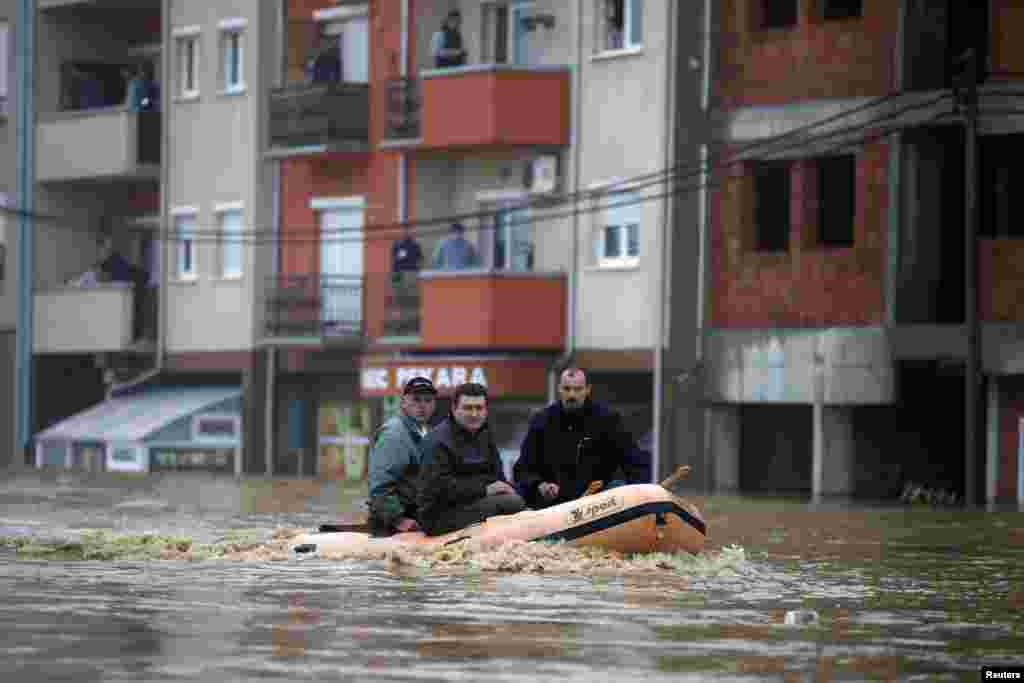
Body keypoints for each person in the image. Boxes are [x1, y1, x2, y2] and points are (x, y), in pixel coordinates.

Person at [514, 367, 648, 509]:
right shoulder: (542, 421)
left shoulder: (607, 420)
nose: (572, 395)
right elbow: (523, 468)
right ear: (559, 389)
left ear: (587, 390)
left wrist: (640, 496)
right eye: (567, 389)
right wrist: (540, 485)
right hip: (553, 506)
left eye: (578, 389)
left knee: (618, 487)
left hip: (598, 503)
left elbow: (634, 461)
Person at [418, 382, 526, 536]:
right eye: (468, 408)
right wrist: (485, 490)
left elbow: (497, 476)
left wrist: (506, 487)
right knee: (512, 503)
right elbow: (438, 489)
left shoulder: (484, 435)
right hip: (439, 515)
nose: (474, 414)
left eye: (479, 408)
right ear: (454, 409)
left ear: (486, 410)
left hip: (473, 503)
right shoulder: (437, 440)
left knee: (517, 496)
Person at [366, 377, 438, 536]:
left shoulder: (426, 432)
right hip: (393, 523)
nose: (422, 406)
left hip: (417, 515)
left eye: (428, 400)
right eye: (416, 399)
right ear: (403, 402)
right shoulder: (394, 434)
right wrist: (399, 520)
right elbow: (379, 486)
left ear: (434, 405)